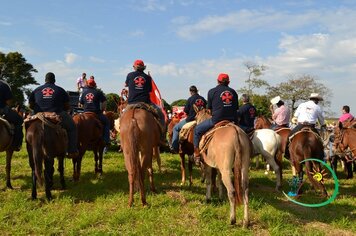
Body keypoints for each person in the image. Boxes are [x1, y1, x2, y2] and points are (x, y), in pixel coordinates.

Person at [29, 72, 78, 158]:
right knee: (72, 127)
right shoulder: (60, 90)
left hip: (39, 114)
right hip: (57, 113)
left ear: (45, 80)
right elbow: (67, 106)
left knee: (27, 125)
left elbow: (30, 105)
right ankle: (72, 151)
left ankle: (24, 145)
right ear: (54, 80)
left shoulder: (36, 90)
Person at [193, 73, 238, 164]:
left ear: (218, 81)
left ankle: (197, 154)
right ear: (228, 82)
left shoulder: (211, 91)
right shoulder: (233, 92)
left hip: (216, 120)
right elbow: (236, 108)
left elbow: (209, 109)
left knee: (197, 130)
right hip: (232, 120)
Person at [125, 59, 166, 145]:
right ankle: (162, 138)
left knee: (121, 118)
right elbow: (149, 90)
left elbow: (126, 85)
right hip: (145, 103)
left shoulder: (129, 75)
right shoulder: (147, 78)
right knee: (161, 115)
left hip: (131, 103)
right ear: (143, 68)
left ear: (134, 67)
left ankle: (122, 139)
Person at [284, 93, 326, 159]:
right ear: (316, 100)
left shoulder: (302, 105)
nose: (318, 102)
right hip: (311, 126)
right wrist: (323, 125)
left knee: (289, 137)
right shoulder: (317, 107)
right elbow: (321, 119)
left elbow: (295, 115)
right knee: (320, 141)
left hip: (300, 125)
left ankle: (287, 153)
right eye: (318, 100)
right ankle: (321, 155)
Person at [171, 85, 207, 153]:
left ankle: (174, 147)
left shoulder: (190, 99)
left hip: (191, 120)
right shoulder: (203, 99)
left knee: (175, 128)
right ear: (196, 91)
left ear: (190, 92)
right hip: (202, 120)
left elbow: (186, 111)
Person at [79, 78, 110, 146]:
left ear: (87, 85)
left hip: (85, 113)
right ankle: (106, 140)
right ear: (94, 85)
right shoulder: (98, 92)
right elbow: (104, 101)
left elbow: (81, 104)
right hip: (96, 113)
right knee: (107, 122)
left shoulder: (84, 93)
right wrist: (102, 109)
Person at [0, 80, 23, 151]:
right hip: (2, 110)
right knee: (19, 119)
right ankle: (16, 145)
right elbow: (9, 102)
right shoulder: (4, 85)